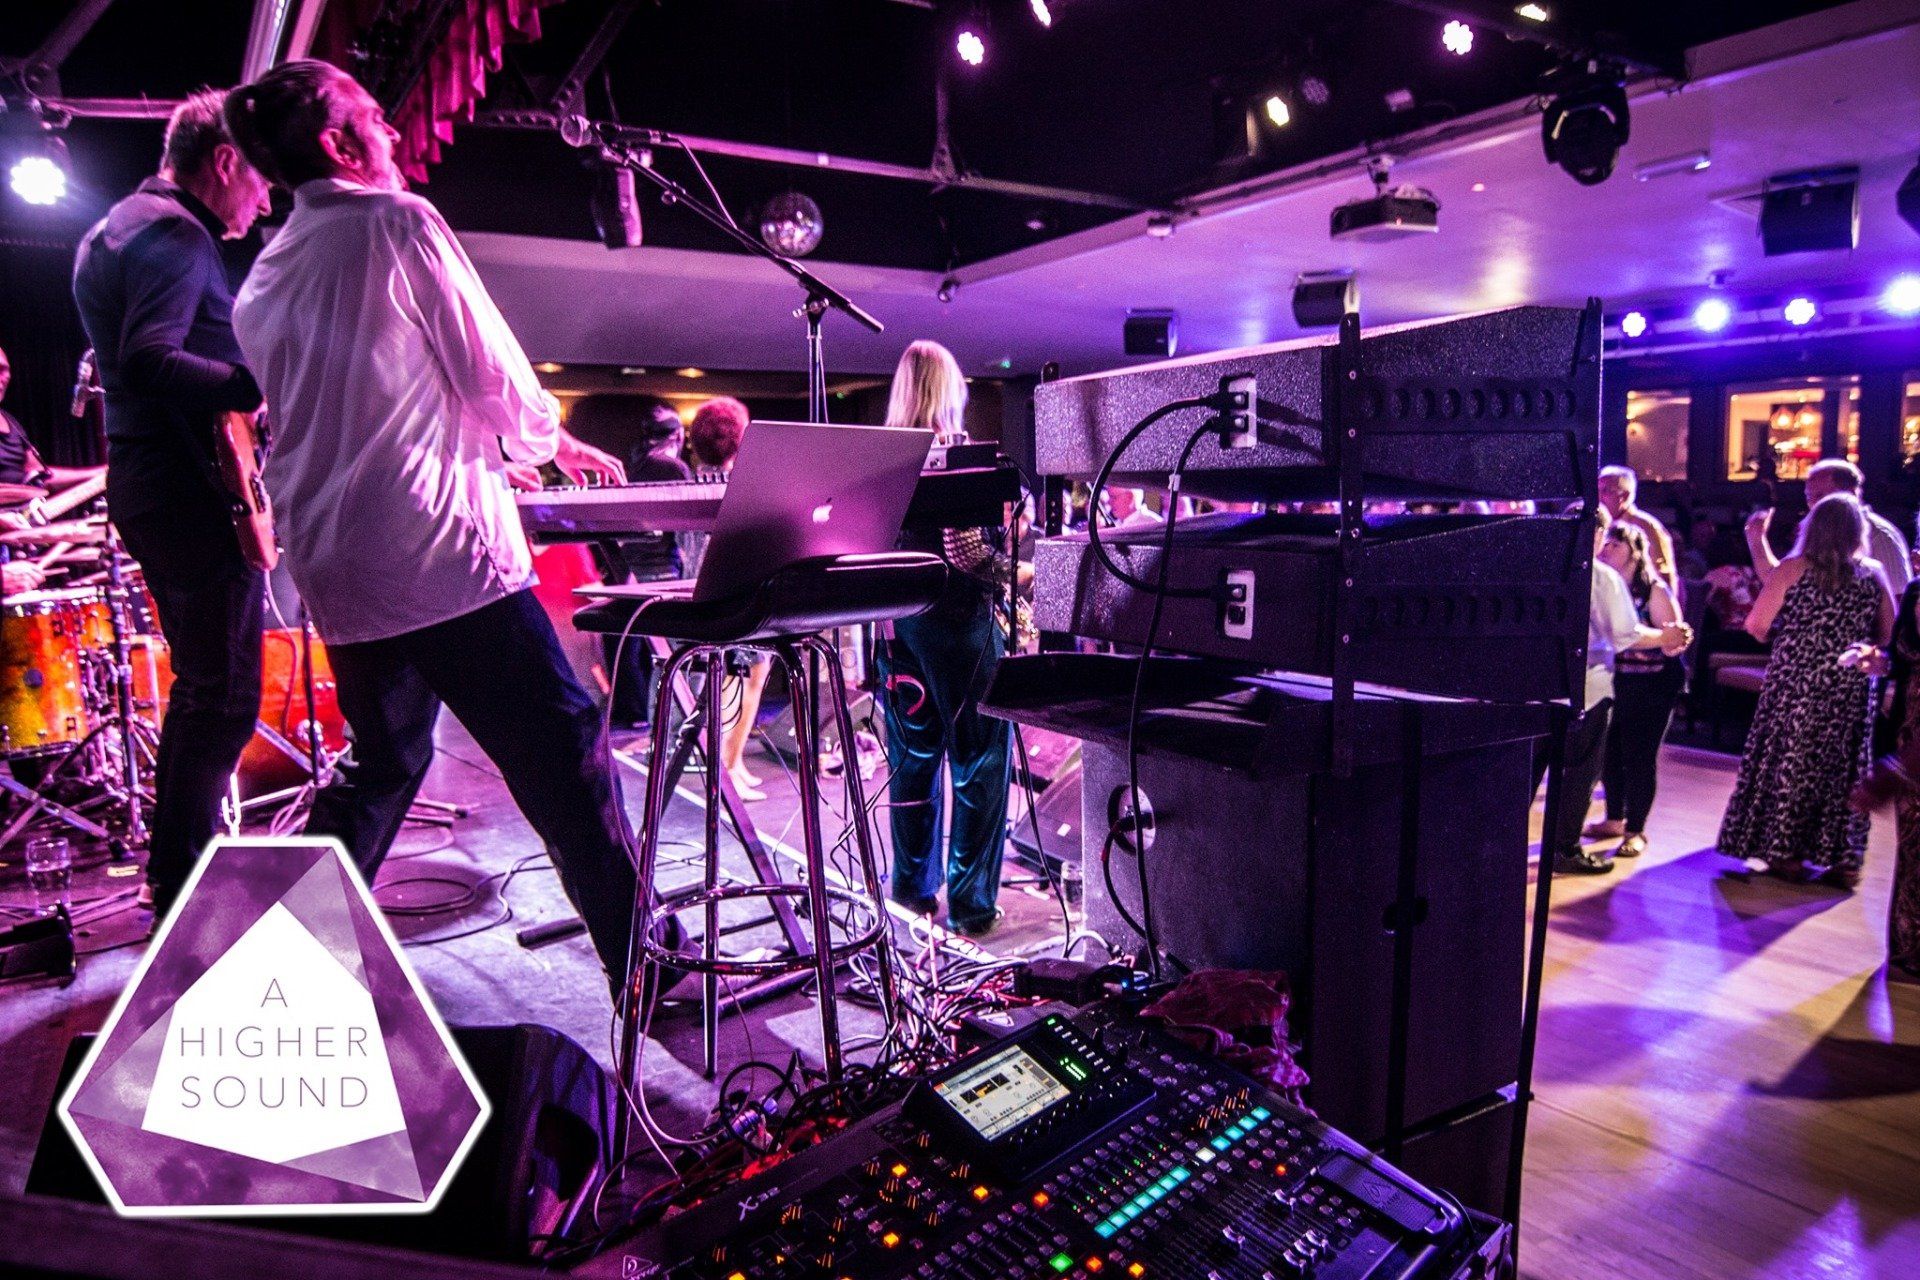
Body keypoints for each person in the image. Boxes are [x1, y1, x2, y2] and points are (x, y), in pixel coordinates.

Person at [223, 61, 638, 983]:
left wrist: (515, 445)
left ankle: (269, 970)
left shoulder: (263, 279)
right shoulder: (395, 222)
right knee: (566, 756)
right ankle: (647, 969)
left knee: (382, 766)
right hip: (441, 557)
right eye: (375, 119)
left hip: (341, 572)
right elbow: (493, 376)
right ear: (338, 143)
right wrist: (543, 439)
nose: (391, 134)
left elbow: (357, 405)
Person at [71, 90, 274, 919]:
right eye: (259, 178)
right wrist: (255, 384)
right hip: (186, 489)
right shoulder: (175, 232)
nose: (265, 201)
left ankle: (182, 876)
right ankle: (184, 886)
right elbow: (150, 359)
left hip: (154, 483)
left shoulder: (116, 226)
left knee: (206, 689)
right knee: (221, 697)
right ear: (224, 160)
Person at [875, 340, 1011, 934]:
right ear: (948, 389)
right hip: (959, 625)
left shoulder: (881, 459)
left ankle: (911, 890)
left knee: (912, 759)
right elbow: (967, 552)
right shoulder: (954, 452)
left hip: (897, 624)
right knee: (979, 760)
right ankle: (972, 905)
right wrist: (1020, 569)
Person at [1718, 493, 1895, 886]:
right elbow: (1887, 634)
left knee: (1791, 762)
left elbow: (1756, 625)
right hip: (1849, 684)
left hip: (1796, 682)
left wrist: (1789, 635)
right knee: (1843, 768)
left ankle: (1787, 854)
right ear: (1857, 532)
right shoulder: (1872, 573)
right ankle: (1844, 860)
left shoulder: (1793, 569)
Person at [1538, 506, 1692, 875]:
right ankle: (1563, 849)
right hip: (1590, 687)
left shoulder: (1541, 569)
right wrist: (1667, 637)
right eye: (1605, 538)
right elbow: (1624, 635)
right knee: (1580, 771)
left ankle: (1501, 850)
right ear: (1595, 534)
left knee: (1533, 770)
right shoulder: (1601, 577)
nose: (1606, 546)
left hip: (1546, 687)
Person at [1585, 522, 1687, 856]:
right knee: (1609, 753)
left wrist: (1669, 638)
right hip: (1617, 680)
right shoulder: (1601, 585)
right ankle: (1614, 818)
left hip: (1652, 683)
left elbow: (1673, 642)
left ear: (1635, 553)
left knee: (1640, 756)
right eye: (1606, 543)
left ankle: (1636, 830)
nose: (1606, 549)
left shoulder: (1653, 590)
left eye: (1616, 544)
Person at [685, 396, 770, 799]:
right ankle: (728, 769)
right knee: (743, 677)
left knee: (739, 677)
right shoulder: (740, 483)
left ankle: (734, 764)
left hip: (703, 589)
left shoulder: (694, 479)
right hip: (734, 590)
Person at [1849, 578, 1920, 977]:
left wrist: (1893, 772)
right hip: (1908, 737)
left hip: (1912, 757)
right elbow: (1901, 656)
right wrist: (1880, 660)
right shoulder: (1915, 592)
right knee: (1912, 850)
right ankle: (1910, 952)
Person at [1747, 458, 1911, 595]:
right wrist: (1757, 538)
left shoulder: (1878, 535)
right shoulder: (1820, 533)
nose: (1813, 504)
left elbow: (1899, 600)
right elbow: (1783, 584)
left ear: (1849, 494)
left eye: (1820, 496)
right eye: (1809, 497)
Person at [0, 346, 102, 492]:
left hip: (25, 506)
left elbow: (42, 477)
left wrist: (100, 473)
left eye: (3, 370)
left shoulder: (11, 423)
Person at [1599, 465, 1678, 591]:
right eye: (1597, 490)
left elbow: (1663, 575)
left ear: (1624, 496)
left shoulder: (1645, 527)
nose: (1599, 497)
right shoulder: (1598, 526)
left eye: (1606, 491)